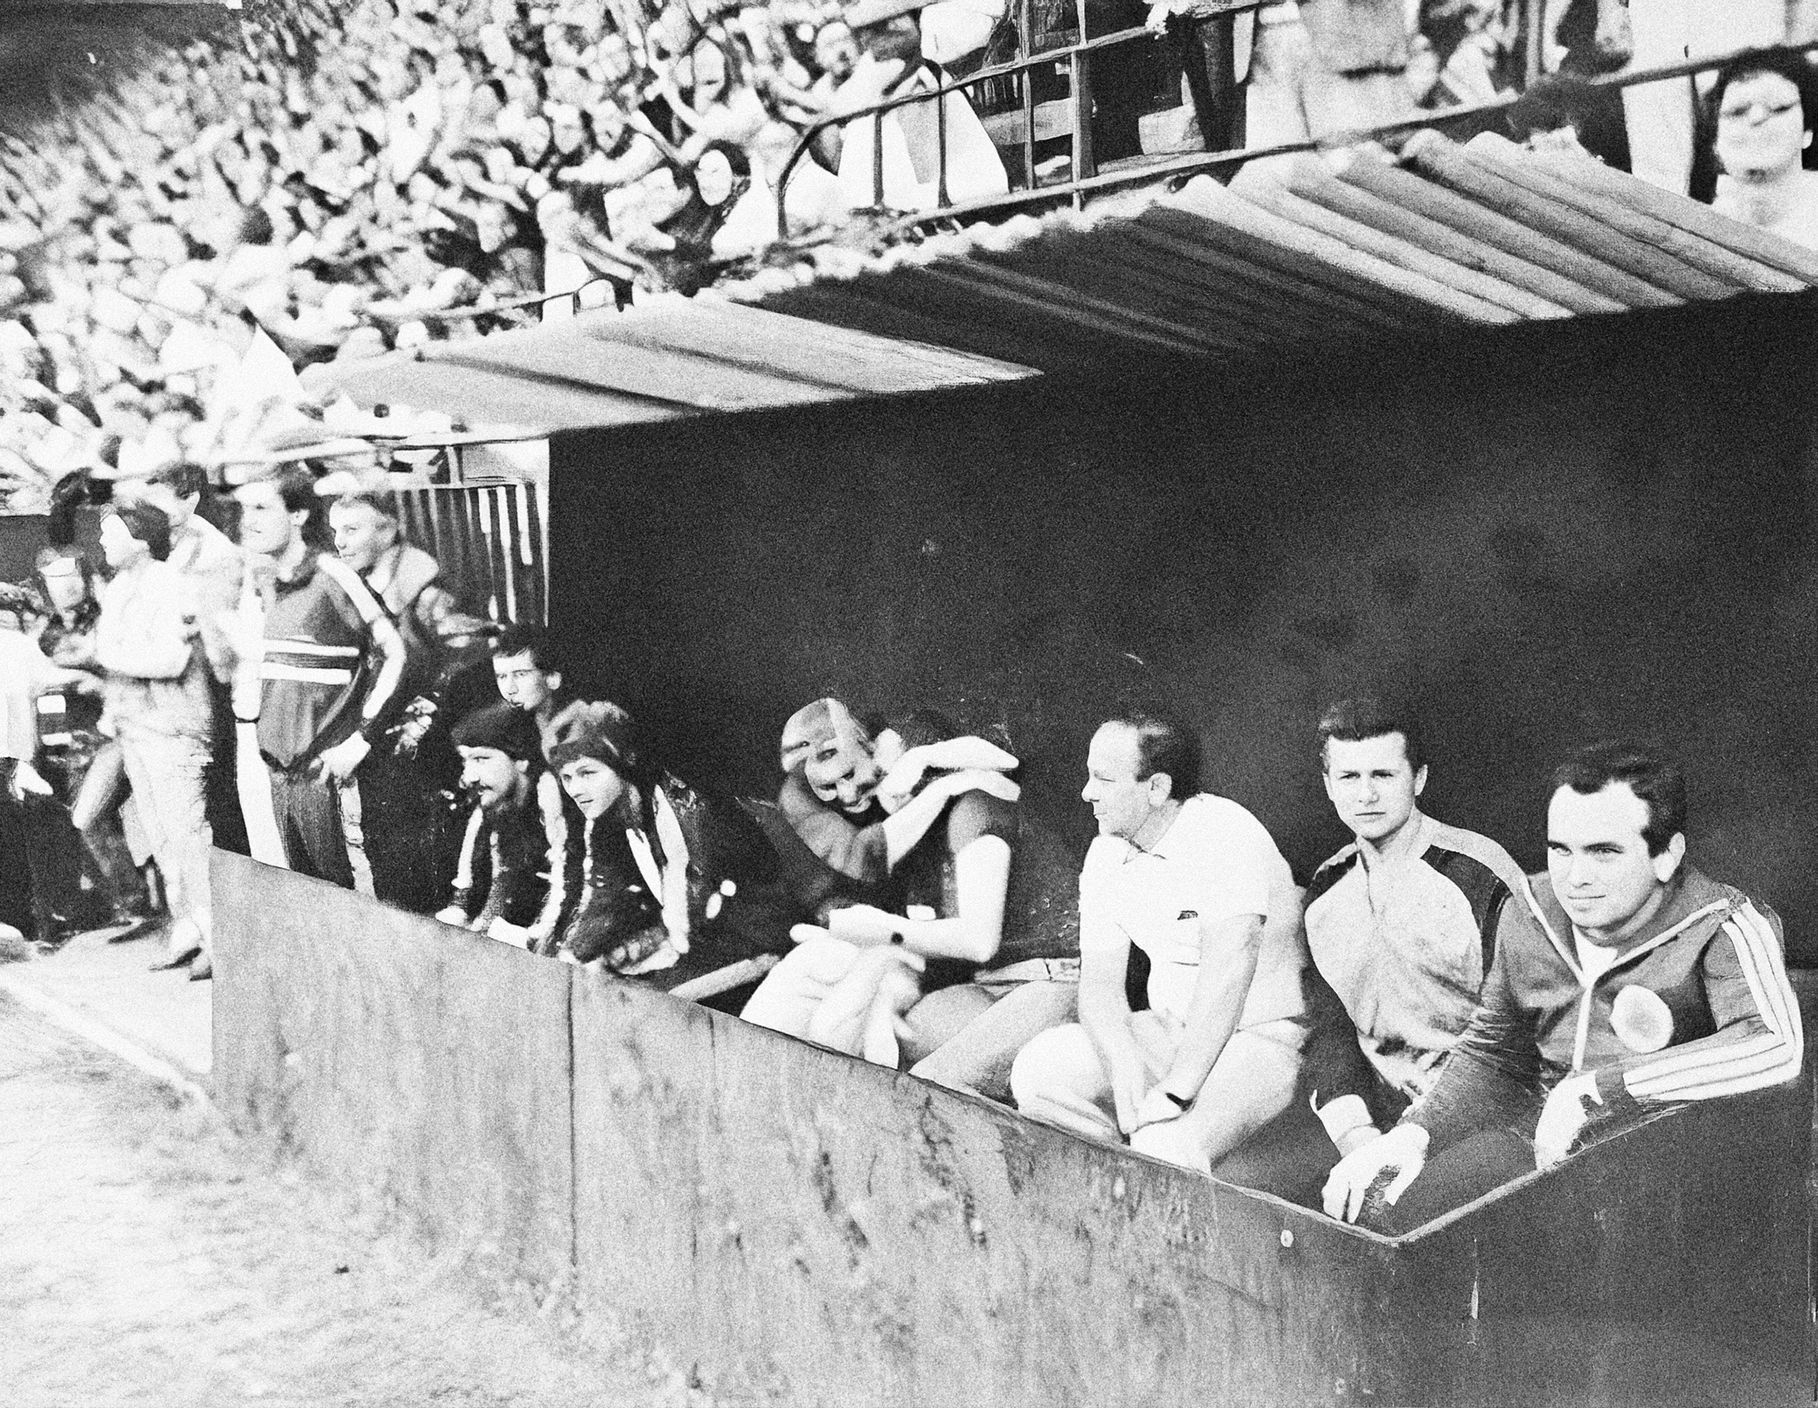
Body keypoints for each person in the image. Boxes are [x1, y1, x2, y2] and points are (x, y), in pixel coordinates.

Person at [1323, 741, 1803, 1234]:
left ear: (1666, 856)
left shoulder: (1724, 922)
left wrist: (1601, 1091)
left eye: (1603, 853)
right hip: (1546, 1161)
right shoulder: (1529, 911)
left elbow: (1776, 1046)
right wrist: (1414, 1135)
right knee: (1387, 1215)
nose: (1575, 878)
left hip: (1682, 1181)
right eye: (1560, 850)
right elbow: (1494, 1056)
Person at [1010, 709, 1312, 1174]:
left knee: (1164, 1142)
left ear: (1157, 788)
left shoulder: (1223, 833)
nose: (1086, 793)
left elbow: (1230, 969)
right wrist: (1122, 1058)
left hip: (1262, 1042)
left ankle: (1146, 1204)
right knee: (1038, 1073)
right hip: (1171, 1031)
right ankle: (1116, 1184)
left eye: (1104, 780)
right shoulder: (1106, 852)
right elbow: (1100, 986)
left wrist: (1177, 1089)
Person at [742, 710, 1078, 1087]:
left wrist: (882, 930)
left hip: (1052, 987)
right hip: (994, 987)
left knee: (925, 1080)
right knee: (868, 1026)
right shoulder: (920, 841)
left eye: (884, 773)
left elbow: (980, 941)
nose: (872, 788)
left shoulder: (974, 808)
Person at [1301, 697, 1526, 1157]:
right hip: (1379, 1121)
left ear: (1418, 779)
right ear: (1327, 785)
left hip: (1490, 1110)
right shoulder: (1324, 889)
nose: (1366, 795)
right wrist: (1355, 1136)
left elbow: (1522, 1027)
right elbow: (1331, 1034)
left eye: (1383, 775)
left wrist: (1420, 1132)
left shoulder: (1479, 873)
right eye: (1349, 777)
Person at [234, 468, 409, 895]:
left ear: (296, 515)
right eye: (244, 509)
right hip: (279, 771)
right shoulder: (263, 581)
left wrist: (361, 739)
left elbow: (396, 653)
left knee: (356, 901)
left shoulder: (333, 574)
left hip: (327, 773)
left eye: (261, 508)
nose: (248, 520)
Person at [547, 702, 792, 989]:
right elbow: (604, 900)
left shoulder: (686, 806)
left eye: (587, 773)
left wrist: (640, 949)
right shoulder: (606, 820)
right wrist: (570, 958)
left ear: (624, 763)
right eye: (566, 778)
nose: (575, 789)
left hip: (759, 940)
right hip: (703, 940)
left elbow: (697, 912)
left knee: (653, 998)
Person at [326, 481, 465, 913]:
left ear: (387, 532)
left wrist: (409, 729)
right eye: (336, 530)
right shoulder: (357, 582)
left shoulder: (424, 590)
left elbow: (451, 670)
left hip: (419, 734)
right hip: (376, 727)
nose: (340, 541)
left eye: (352, 529)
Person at [93, 501, 218, 975]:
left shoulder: (171, 584)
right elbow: (113, 650)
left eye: (113, 531)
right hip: (136, 729)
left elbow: (169, 661)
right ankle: (187, 931)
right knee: (162, 838)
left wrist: (113, 655)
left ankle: (217, 941)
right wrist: (116, 656)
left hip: (174, 730)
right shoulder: (121, 587)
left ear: (142, 537)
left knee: (188, 836)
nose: (103, 541)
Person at [436, 701, 568, 951]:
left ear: (521, 760)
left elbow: (568, 879)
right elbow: (496, 879)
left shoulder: (549, 794)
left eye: (481, 759)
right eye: (466, 761)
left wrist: (537, 937)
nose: (470, 776)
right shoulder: (490, 808)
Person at [1704, 51, 1818, 250]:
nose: (1757, 118)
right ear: (1716, 144)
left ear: (1807, 132)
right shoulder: (1703, 232)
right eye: (1737, 111)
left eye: (1778, 107)